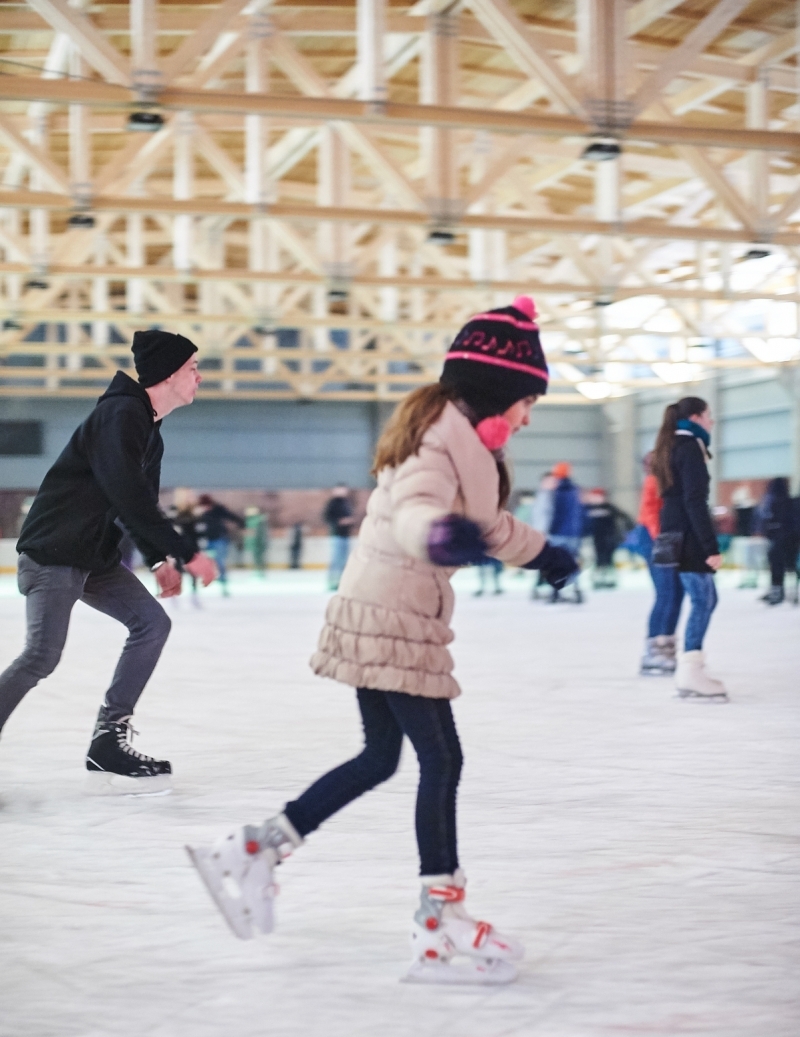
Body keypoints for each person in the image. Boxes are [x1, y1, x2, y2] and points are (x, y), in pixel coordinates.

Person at [187, 295, 578, 985]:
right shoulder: (438, 441)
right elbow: (417, 509)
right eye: (526, 400)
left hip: (385, 612)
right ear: (494, 392)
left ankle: (256, 846)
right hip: (393, 619)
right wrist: (435, 534)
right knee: (442, 759)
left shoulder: (458, 437)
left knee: (382, 756)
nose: (526, 416)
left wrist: (543, 552)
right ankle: (439, 914)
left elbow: (485, 526)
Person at [0, 330, 218, 786]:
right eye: (194, 369)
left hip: (92, 559)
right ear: (170, 374)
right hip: (54, 552)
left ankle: (107, 740)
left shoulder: (149, 431)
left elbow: (140, 501)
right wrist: (186, 553)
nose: (200, 377)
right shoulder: (120, 414)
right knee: (41, 655)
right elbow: (125, 490)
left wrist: (160, 559)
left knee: (152, 624)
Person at [651, 395, 726, 700]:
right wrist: (711, 545)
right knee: (703, 598)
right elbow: (695, 500)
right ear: (695, 417)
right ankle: (690, 671)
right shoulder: (690, 447)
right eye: (709, 415)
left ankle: (691, 667)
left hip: (675, 532)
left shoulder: (671, 446)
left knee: (706, 597)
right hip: (689, 536)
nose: (711, 422)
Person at [636, 452, 684, 676]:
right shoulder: (654, 480)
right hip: (655, 539)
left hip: (668, 539)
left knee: (677, 593)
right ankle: (654, 649)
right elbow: (650, 513)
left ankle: (667, 645)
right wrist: (661, 541)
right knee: (666, 593)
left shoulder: (676, 482)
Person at [195, 494, 245, 596]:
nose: (206, 509)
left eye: (207, 506)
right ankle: (204, 581)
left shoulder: (218, 510)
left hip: (219, 539)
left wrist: (242, 524)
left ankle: (223, 584)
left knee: (220, 561)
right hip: (205, 541)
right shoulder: (198, 513)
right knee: (203, 562)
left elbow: (231, 516)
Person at [547, 462, 584, 603]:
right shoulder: (575, 491)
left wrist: (550, 530)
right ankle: (576, 590)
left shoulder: (557, 492)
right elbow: (580, 513)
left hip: (559, 533)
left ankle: (556, 592)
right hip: (574, 533)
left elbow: (556, 514)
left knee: (556, 563)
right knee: (572, 563)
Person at [758, 477, 795, 606]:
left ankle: (777, 591)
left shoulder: (774, 502)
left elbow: (770, 521)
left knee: (776, 566)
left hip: (779, 540)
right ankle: (781, 591)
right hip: (791, 541)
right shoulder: (791, 502)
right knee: (787, 566)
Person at [323, 485, 354, 590]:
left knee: (343, 561)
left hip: (345, 535)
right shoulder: (333, 503)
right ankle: (332, 582)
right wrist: (339, 522)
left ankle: (341, 582)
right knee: (336, 560)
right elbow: (327, 517)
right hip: (337, 535)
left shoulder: (346, 503)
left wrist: (349, 521)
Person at [243, 507, 269, 576]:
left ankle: (260, 572)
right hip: (256, 543)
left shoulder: (257, 521)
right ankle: (259, 571)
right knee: (257, 558)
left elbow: (260, 534)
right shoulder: (251, 521)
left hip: (258, 543)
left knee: (258, 558)